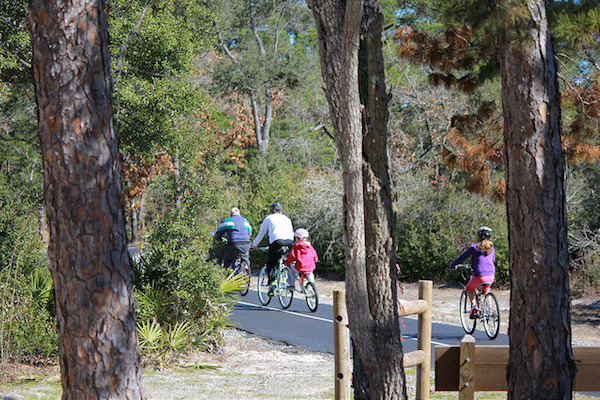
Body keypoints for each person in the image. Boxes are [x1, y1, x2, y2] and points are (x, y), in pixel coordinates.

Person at [449, 226, 496, 318]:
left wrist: (453, 265)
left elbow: (462, 257)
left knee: (469, 288)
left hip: (480, 275)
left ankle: (474, 307)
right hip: (491, 275)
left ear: (478, 237)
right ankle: (490, 311)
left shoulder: (474, 247)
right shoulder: (491, 247)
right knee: (486, 290)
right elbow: (492, 260)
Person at [251, 202, 294, 293]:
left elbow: (261, 234)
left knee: (271, 263)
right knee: (285, 260)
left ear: (271, 211)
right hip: (290, 242)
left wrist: (254, 245)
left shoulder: (269, 218)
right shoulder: (287, 218)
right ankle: (285, 276)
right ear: (281, 211)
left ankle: (272, 283)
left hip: (277, 242)